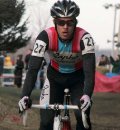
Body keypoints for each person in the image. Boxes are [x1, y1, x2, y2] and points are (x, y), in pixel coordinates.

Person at [18, 0, 95, 130]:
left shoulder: (85, 38)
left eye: (69, 22)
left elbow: (89, 72)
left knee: (82, 115)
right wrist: (25, 95)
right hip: (54, 78)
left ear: (75, 23)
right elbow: (33, 69)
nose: (65, 27)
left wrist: (87, 95)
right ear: (55, 23)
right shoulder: (45, 37)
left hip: (78, 79)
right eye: (61, 22)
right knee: (46, 121)